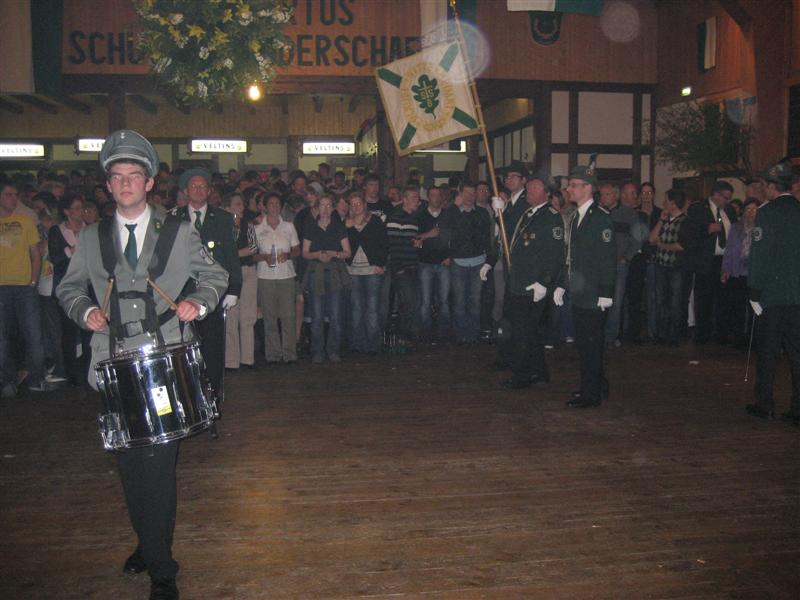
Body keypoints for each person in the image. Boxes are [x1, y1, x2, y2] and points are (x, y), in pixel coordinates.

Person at [56, 130, 229, 600]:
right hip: (112, 362)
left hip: (164, 361)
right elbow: (68, 287)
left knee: (158, 463)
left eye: (134, 175)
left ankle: (161, 567)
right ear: (108, 185)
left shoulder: (178, 230)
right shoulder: (91, 237)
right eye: (117, 177)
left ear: (149, 182)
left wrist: (199, 301)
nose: (126, 183)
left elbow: (215, 274)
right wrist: (84, 311)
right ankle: (148, 541)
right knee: (130, 464)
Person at [174, 168, 242, 412]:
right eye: (194, 186)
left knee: (212, 347)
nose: (199, 190)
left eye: (203, 186)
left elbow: (230, 255)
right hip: (182, 293)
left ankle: (211, 395)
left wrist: (234, 288)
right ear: (185, 191)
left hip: (213, 292)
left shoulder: (222, 218)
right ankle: (186, 396)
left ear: (210, 190)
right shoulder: (173, 218)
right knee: (183, 348)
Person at [554, 165, 616, 408]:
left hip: (593, 293)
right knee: (585, 343)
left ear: (588, 187)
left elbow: (607, 257)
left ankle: (591, 394)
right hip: (579, 292)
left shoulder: (600, 218)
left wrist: (606, 292)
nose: (569, 189)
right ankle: (596, 384)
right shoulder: (575, 217)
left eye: (573, 185)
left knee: (591, 344)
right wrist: (562, 284)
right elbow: (570, 256)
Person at [746, 162, 800, 426]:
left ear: (771, 186)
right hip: (797, 295)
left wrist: (754, 291)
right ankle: (797, 408)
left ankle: (764, 403)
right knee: (797, 354)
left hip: (773, 294)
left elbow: (760, 256)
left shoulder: (766, 213)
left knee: (767, 352)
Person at [501, 173, 563, 389]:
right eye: (529, 188)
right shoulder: (528, 213)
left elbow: (556, 255)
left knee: (522, 331)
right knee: (530, 331)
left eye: (535, 188)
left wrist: (544, 282)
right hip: (519, 281)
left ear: (546, 193)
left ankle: (522, 374)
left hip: (534, 285)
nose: (529, 191)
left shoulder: (551, 217)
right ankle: (539, 371)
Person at [0, 183, 48, 397]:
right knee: (2, 339)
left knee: (33, 335)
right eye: (8, 195)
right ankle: (7, 380)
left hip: (24, 286)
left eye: (15, 194)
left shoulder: (25, 220)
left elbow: (35, 253)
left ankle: (36, 378)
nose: (13, 198)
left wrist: (33, 281)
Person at [679, 180, 736, 344]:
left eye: (729, 198)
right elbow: (687, 235)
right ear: (716, 194)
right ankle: (703, 334)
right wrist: (706, 230)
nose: (727, 201)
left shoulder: (729, 211)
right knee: (704, 299)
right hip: (706, 261)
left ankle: (721, 334)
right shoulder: (698, 208)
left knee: (723, 298)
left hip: (724, 260)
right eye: (725, 197)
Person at [302, 194, 351, 362]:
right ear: (317, 208)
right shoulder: (310, 227)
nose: (325, 209)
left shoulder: (339, 227)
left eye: (329, 205)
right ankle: (317, 351)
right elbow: (305, 253)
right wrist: (317, 254)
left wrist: (333, 254)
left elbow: (347, 252)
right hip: (316, 272)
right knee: (316, 314)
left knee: (336, 314)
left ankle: (333, 350)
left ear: (333, 208)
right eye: (322, 205)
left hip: (335, 271)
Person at [442, 181, 492, 344]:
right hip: (459, 261)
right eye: (467, 193)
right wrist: (455, 207)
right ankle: (460, 335)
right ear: (460, 194)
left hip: (478, 261)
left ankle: (473, 334)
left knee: (475, 300)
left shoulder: (482, 213)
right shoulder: (453, 212)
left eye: (473, 193)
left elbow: (486, 236)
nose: (470, 196)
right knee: (459, 300)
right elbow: (444, 227)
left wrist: (488, 258)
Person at [254, 192, 300, 363]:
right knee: (269, 317)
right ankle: (273, 354)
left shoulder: (289, 226)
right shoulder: (257, 229)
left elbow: (297, 250)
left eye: (277, 203)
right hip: (265, 276)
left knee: (288, 316)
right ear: (265, 207)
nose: (274, 206)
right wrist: (264, 257)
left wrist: (288, 255)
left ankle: (289, 353)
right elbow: (251, 255)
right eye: (271, 203)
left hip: (286, 275)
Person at [345, 192, 388, 354]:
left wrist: (381, 264)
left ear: (364, 205)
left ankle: (373, 344)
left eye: (359, 203)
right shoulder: (345, 223)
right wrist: (348, 227)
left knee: (372, 308)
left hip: (372, 269)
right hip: (353, 270)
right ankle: (357, 343)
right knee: (356, 308)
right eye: (353, 204)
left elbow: (384, 243)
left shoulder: (375, 221)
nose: (356, 206)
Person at [221, 192, 259, 369]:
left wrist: (232, 255)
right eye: (237, 204)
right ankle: (231, 360)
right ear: (227, 208)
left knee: (248, 316)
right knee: (230, 318)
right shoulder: (221, 226)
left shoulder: (247, 224)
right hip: (229, 274)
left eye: (242, 204)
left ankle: (247, 359)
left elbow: (253, 247)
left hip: (247, 271)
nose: (242, 208)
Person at [649, 189, 688, 346]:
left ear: (673, 202)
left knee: (675, 301)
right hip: (660, 264)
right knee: (660, 301)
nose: (664, 203)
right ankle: (661, 333)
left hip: (676, 266)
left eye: (666, 200)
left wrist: (662, 245)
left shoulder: (685, 221)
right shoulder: (664, 219)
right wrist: (661, 220)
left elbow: (681, 245)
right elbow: (651, 238)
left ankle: (674, 335)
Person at [386, 186, 422, 347]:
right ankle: (402, 336)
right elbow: (392, 242)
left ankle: (407, 336)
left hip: (412, 265)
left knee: (412, 302)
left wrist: (418, 243)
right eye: (414, 198)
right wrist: (398, 267)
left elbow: (412, 241)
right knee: (407, 302)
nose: (417, 201)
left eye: (418, 198)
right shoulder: (396, 217)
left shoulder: (413, 218)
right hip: (401, 266)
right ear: (404, 200)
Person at [721, 198, 758, 348]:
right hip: (737, 272)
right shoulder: (736, 227)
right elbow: (729, 250)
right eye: (748, 209)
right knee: (737, 306)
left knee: (753, 307)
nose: (751, 213)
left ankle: (752, 338)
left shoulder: (761, 228)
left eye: (754, 210)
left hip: (754, 272)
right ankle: (738, 337)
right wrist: (725, 269)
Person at [416, 186, 451, 341]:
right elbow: (414, 238)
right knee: (425, 301)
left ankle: (443, 334)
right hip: (425, 263)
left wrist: (450, 256)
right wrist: (428, 235)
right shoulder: (420, 215)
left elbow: (454, 238)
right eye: (433, 195)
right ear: (428, 197)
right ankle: (426, 334)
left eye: (438, 195)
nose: (436, 198)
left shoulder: (447, 215)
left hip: (444, 263)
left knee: (444, 301)